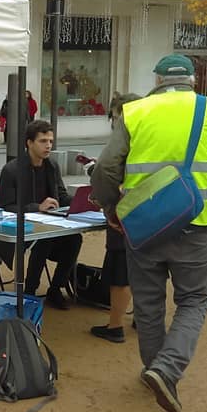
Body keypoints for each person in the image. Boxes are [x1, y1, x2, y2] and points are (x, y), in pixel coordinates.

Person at [90, 54, 207, 412]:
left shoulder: (135, 112)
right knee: (195, 299)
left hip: (145, 227)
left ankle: (154, 369)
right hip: (197, 225)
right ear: (192, 80)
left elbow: (105, 170)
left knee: (147, 305)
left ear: (157, 79)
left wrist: (113, 210)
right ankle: (166, 370)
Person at [0, 120, 80, 311]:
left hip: (50, 225)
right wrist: (37, 207)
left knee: (75, 239)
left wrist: (82, 200)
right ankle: (30, 292)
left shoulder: (52, 166)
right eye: (43, 141)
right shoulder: (11, 170)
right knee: (44, 239)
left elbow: (62, 196)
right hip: (20, 229)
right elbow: (6, 207)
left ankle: (55, 288)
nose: (48, 145)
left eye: (50, 141)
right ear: (29, 143)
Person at [87, 93, 141, 343]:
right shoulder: (151, 138)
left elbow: (108, 171)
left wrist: (107, 205)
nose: (115, 122)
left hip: (124, 211)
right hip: (152, 210)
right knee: (148, 267)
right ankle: (144, 317)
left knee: (121, 269)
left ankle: (115, 325)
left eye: (118, 116)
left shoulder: (125, 138)